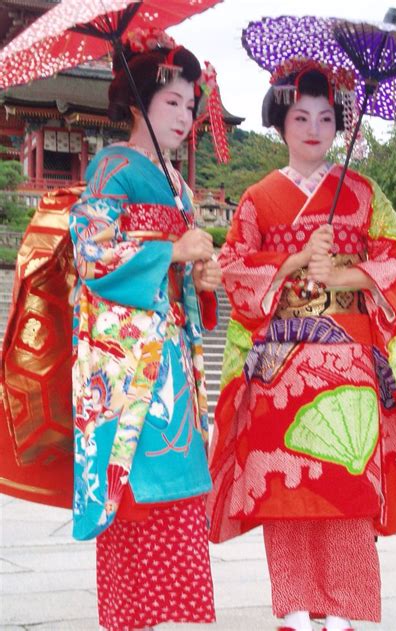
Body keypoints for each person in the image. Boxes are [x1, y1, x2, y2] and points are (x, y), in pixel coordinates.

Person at [207, 59, 396, 631]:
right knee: (287, 488)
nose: (313, 129)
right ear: (281, 122)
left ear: (338, 126)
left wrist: (345, 276)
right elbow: (231, 265)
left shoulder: (363, 191)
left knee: (346, 484)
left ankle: (344, 606)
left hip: (348, 354)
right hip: (281, 361)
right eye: (300, 116)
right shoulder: (258, 197)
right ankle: (296, 606)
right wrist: (297, 261)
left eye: (326, 118)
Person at [69, 28, 222, 631]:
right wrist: (169, 248)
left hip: (174, 363)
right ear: (137, 104)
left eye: (190, 105)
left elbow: (184, 277)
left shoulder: (181, 186)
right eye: (172, 103)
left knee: (178, 491)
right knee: (131, 490)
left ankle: (165, 618)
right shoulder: (112, 167)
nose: (185, 117)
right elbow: (92, 248)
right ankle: (132, 620)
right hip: (129, 364)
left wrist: (200, 278)